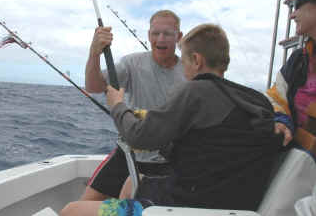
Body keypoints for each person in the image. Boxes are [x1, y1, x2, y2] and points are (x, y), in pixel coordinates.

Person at [60, 24, 283, 216]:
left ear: (196, 60)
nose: (182, 69)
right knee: (131, 183)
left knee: (72, 211)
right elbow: (210, 140)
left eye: (184, 61)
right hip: (231, 202)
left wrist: (118, 105)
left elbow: (139, 137)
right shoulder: (256, 100)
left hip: (185, 207)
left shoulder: (197, 90)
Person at [81, 10, 186, 201]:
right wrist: (94, 53)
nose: (160, 39)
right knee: (84, 206)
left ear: (179, 37)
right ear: (148, 35)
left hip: (167, 162)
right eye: (155, 33)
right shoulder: (132, 63)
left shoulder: (189, 72)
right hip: (128, 153)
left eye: (168, 33)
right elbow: (93, 86)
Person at [266, 0, 316, 145]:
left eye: (297, 5)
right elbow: (276, 97)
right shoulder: (298, 60)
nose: (292, 14)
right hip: (302, 164)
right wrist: (280, 120)